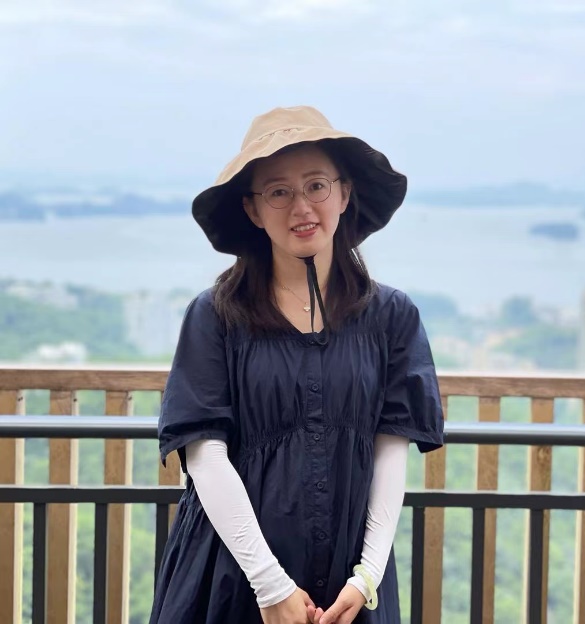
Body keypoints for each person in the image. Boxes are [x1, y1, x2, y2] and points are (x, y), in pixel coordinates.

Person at [149, 106, 445, 624]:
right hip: (232, 573)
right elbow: (204, 454)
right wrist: (269, 585)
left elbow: (390, 449)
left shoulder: (391, 316)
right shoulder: (216, 314)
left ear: (344, 194)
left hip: (351, 580)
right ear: (253, 209)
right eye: (279, 192)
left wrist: (368, 575)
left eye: (316, 186)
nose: (302, 207)